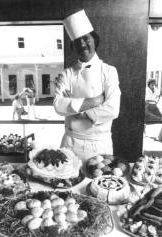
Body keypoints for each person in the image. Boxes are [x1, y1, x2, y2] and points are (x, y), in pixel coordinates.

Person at [54, 9, 121, 162]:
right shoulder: (67, 74)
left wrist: (77, 111)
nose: (82, 44)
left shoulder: (109, 71)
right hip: (70, 144)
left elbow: (113, 109)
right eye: (77, 42)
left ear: (94, 39)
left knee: (100, 184)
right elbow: (58, 106)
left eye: (85, 38)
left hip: (100, 145)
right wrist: (96, 101)